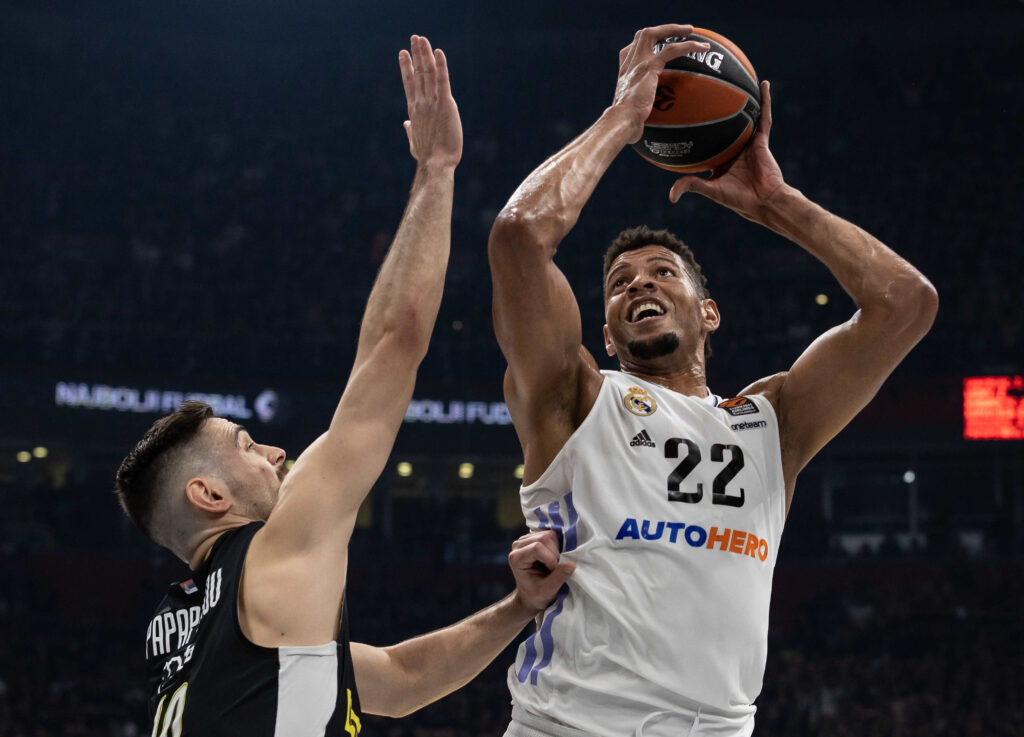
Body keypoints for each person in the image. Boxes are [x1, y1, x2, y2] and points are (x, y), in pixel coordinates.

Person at [114, 36, 574, 736]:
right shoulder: (270, 554)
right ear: (207, 495)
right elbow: (392, 348)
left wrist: (518, 608)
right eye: (245, 445)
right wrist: (438, 170)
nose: (275, 453)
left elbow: (401, 679)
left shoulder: (177, 629)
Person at [487, 23, 938, 737]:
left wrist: (777, 203)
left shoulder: (773, 420)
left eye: (662, 272)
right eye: (620, 283)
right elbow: (518, 236)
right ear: (606, 333)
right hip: (569, 724)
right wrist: (620, 120)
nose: (640, 284)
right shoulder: (575, 398)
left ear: (709, 312)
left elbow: (906, 305)